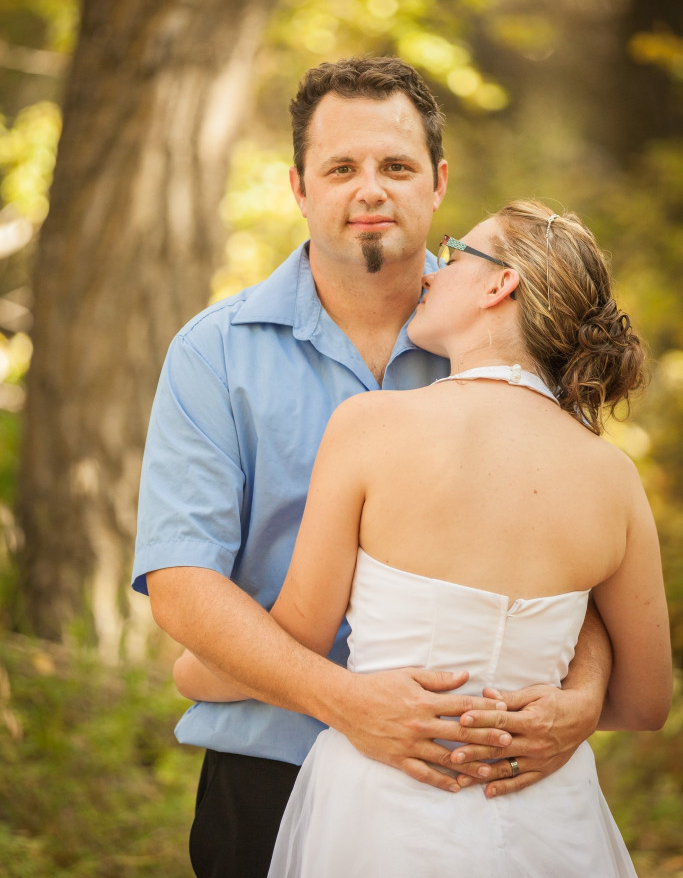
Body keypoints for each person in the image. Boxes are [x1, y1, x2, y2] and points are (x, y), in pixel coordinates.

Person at [133, 57, 614, 878]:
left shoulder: (502, 335)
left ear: (436, 183)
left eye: (395, 166)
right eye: (340, 168)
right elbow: (181, 583)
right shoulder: (213, 352)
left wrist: (582, 698)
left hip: (475, 784)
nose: (370, 190)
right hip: (269, 766)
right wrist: (345, 704)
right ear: (299, 187)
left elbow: (580, 563)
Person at [175, 201, 672, 877]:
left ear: (499, 286)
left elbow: (302, 628)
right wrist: (577, 704)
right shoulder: (612, 477)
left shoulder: (371, 427)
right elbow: (645, 703)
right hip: (548, 819)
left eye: (458, 252)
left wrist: (194, 673)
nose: (435, 271)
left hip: (386, 812)